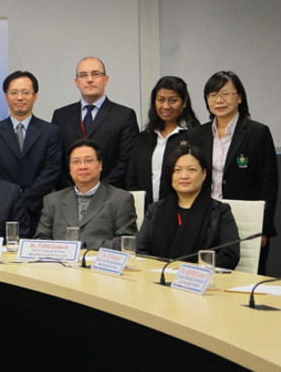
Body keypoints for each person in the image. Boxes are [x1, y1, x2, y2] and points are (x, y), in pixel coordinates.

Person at [187, 71, 278, 274]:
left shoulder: (257, 133)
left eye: (226, 94)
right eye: (212, 95)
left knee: (245, 278)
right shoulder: (197, 134)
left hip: (245, 219)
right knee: (204, 276)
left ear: (240, 97)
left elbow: (268, 185)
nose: (219, 100)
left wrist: (262, 228)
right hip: (205, 218)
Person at [137, 145, 240, 269]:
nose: (184, 176)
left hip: (199, 281)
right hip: (157, 278)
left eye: (191, 170)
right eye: (177, 170)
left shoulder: (219, 211)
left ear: (204, 174)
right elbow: (140, 251)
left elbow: (230, 255)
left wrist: (192, 271)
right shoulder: (155, 210)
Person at [0, 71, 62, 237]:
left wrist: (26, 202)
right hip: (2, 210)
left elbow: (52, 171)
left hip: (40, 210)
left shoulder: (51, 132)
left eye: (26, 92)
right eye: (14, 93)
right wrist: (10, 200)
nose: (20, 97)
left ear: (35, 96)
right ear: (6, 97)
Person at [51, 56, 138, 188]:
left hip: (111, 196)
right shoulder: (61, 116)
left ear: (106, 79)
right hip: (69, 196)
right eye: (83, 75)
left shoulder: (124, 116)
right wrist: (74, 190)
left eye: (96, 74)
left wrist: (100, 191)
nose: (90, 79)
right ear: (76, 82)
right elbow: (56, 160)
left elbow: (127, 161)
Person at [35, 139, 138, 249]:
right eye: (76, 162)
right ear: (69, 168)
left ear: (100, 165)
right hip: (60, 264)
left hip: (101, 264)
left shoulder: (120, 199)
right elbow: (40, 239)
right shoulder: (52, 201)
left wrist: (85, 245)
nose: (82, 166)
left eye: (88, 161)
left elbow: (127, 243)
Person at [126, 76, 199, 208]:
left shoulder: (193, 136)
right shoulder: (144, 138)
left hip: (181, 211)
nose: (166, 106)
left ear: (184, 102)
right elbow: (132, 178)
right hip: (146, 212)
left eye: (173, 100)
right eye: (161, 100)